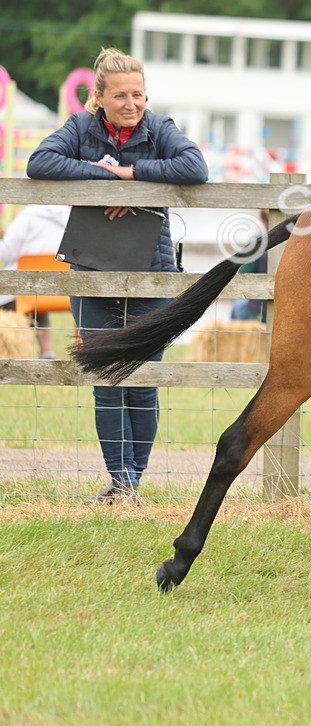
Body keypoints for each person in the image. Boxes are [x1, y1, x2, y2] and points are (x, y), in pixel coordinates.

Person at [27, 47, 208, 504]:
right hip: (91, 271)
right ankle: (120, 483)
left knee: (144, 379)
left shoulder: (160, 128)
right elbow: (39, 162)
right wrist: (101, 177)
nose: (132, 104)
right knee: (106, 379)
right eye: (122, 96)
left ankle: (134, 482)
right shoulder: (81, 129)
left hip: (152, 273)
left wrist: (131, 176)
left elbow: (195, 167)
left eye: (139, 95)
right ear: (99, 97)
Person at [0, 204, 71, 358]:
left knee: (23, 292)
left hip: (26, 289)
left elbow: (6, 252)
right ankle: (47, 352)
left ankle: (11, 349)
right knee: (37, 300)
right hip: (62, 289)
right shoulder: (68, 215)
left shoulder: (28, 215)